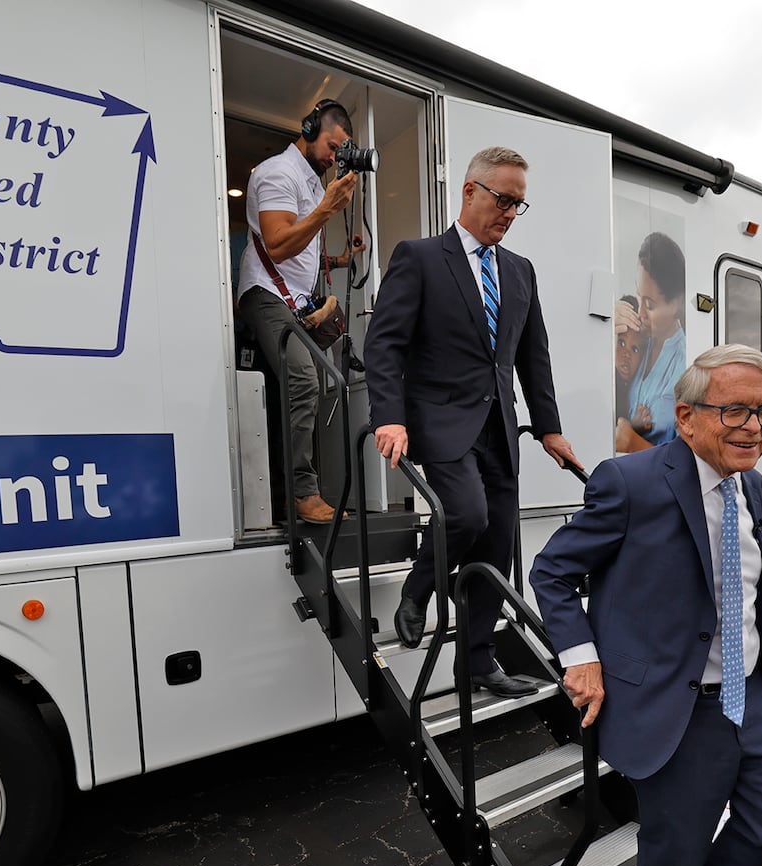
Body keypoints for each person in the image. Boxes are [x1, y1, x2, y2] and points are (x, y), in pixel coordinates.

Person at [529, 344, 762, 866]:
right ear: (686, 416)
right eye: (736, 410)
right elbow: (552, 572)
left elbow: (748, 584)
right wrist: (581, 655)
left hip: (751, 689)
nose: (754, 426)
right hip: (679, 700)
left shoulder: (752, 484)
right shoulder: (630, 482)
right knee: (676, 841)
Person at [365, 146, 580, 696]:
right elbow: (385, 345)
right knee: (465, 515)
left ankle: (478, 662)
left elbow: (534, 356)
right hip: (439, 421)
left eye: (518, 205)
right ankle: (419, 588)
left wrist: (549, 426)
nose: (509, 213)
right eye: (503, 199)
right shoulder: (418, 257)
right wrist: (389, 417)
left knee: (497, 544)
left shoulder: (520, 271)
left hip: (500, 428)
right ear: (470, 191)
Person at [236, 99, 362, 525]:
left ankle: (291, 492)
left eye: (341, 151)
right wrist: (327, 209)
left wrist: (343, 258)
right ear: (308, 129)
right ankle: (302, 494)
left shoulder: (309, 182)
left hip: (289, 298)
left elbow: (301, 252)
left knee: (303, 387)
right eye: (331, 146)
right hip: (264, 294)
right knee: (304, 379)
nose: (334, 157)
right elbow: (278, 245)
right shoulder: (278, 173)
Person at [625, 231, 687, 449]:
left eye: (649, 305)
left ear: (675, 304)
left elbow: (683, 449)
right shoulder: (642, 341)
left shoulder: (684, 360)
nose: (641, 312)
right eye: (638, 296)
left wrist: (629, 439)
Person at [613, 294, 648, 453]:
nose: (626, 354)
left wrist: (635, 427)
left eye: (635, 349)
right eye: (621, 343)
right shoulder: (610, 381)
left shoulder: (638, 389)